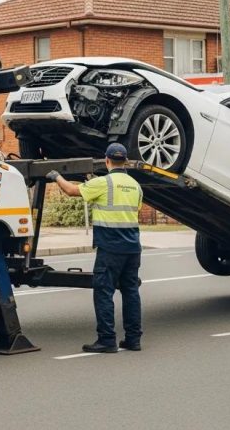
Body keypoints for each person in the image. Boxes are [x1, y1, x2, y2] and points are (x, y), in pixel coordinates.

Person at [46, 143, 143, 353]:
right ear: (125, 161)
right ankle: (133, 339)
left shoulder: (103, 183)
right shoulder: (136, 185)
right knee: (131, 292)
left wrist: (56, 177)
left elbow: (72, 190)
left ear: (107, 161)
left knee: (104, 292)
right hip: (133, 248)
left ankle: (107, 340)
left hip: (110, 247)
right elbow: (134, 210)